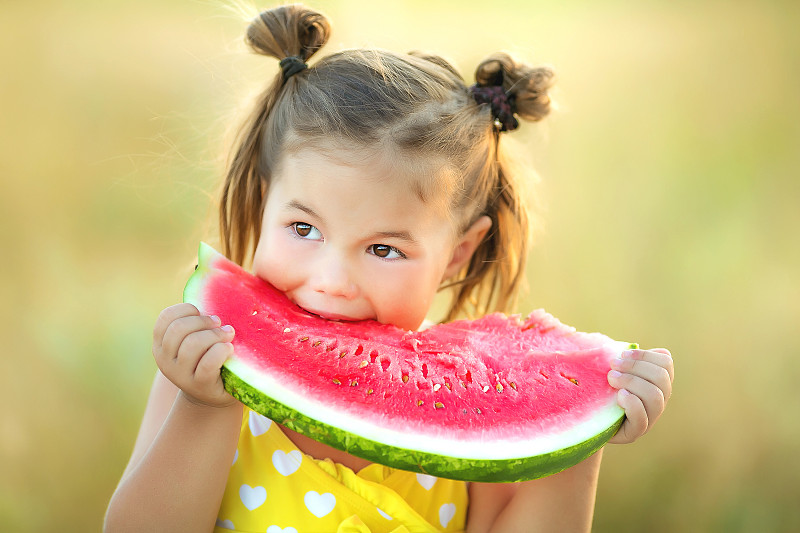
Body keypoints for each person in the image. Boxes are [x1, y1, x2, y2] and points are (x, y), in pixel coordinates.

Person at [104, 5, 674, 532]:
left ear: (459, 251)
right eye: (303, 229)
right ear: (263, 199)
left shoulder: (471, 417)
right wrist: (204, 407)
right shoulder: (209, 367)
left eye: (384, 250)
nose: (331, 280)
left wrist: (577, 438)